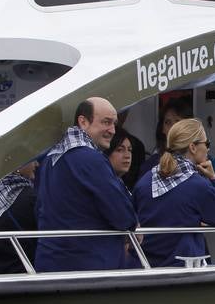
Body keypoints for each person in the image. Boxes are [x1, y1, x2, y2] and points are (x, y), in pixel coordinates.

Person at [35, 98, 140, 272]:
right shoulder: (90, 158)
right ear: (83, 122)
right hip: (89, 267)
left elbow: (39, 210)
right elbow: (122, 214)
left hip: (50, 262)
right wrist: (133, 223)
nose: (113, 130)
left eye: (114, 123)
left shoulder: (51, 157)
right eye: (106, 122)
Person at [133, 118, 215, 267]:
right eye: (207, 144)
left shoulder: (145, 180)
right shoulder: (198, 185)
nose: (208, 149)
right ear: (192, 147)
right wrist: (213, 178)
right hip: (183, 268)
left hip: (146, 266)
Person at [0, 161, 38, 274]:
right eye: (32, 160)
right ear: (18, 165)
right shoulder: (31, 197)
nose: (37, 164)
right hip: (22, 274)